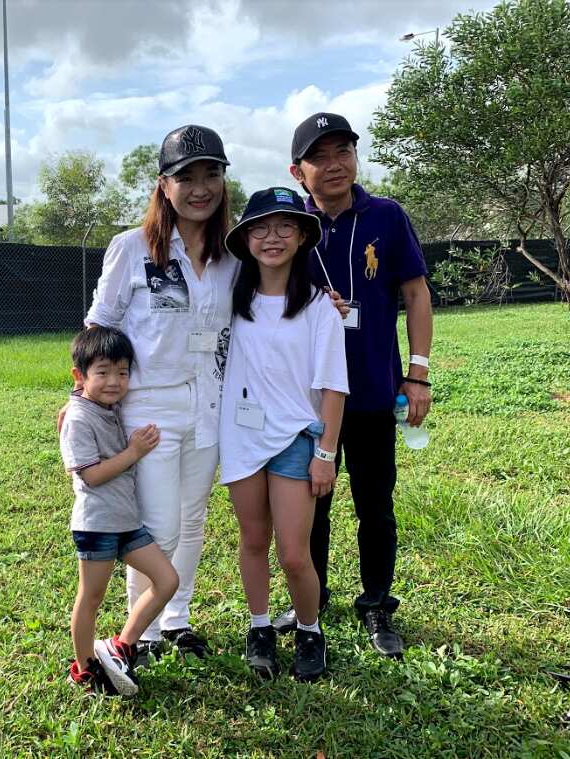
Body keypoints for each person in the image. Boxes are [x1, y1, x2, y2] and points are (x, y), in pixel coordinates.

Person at [270, 112, 434, 658]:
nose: (335, 164)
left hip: (368, 392)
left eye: (343, 151)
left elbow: (415, 294)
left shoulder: (386, 216)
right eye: (320, 156)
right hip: (308, 402)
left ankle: (377, 605)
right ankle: (309, 600)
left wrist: (418, 374)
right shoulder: (288, 229)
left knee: (374, 504)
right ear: (299, 170)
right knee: (311, 504)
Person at [81, 125, 239, 661]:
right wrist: (81, 395)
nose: (200, 188)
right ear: (163, 185)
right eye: (186, 177)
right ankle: (140, 633)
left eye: (211, 175)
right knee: (156, 527)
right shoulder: (132, 248)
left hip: (209, 404)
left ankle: (176, 620)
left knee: (193, 519)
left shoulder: (232, 256)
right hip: (147, 408)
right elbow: (99, 324)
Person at [219, 187, 348, 682]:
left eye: (285, 227)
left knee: (295, 553)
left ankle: (310, 631)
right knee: (252, 539)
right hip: (241, 437)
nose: (272, 237)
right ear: (246, 238)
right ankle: (259, 628)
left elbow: (333, 387)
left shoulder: (318, 307)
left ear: (301, 237)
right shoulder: (231, 300)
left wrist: (326, 453)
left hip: (297, 438)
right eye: (260, 227)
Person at [60, 326, 179, 695]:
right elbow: (91, 476)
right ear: (79, 376)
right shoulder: (78, 418)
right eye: (103, 372)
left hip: (127, 523)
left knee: (167, 581)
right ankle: (83, 669)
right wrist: (133, 453)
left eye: (123, 372)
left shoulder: (109, 407)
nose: (114, 381)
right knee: (91, 598)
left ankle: (120, 646)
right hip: (97, 525)